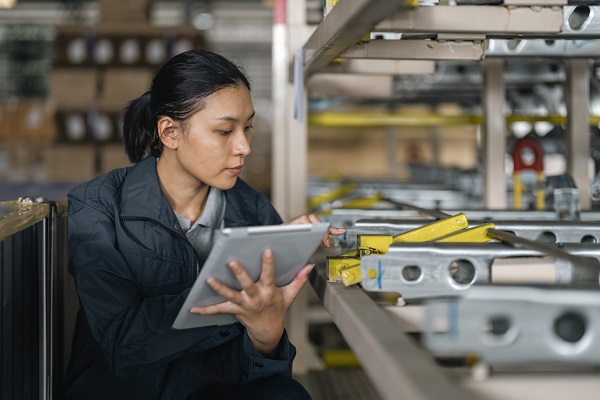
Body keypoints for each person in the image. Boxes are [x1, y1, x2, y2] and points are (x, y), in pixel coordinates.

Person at [63, 49, 344, 400]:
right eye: (225, 131)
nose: (243, 147)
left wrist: (266, 337)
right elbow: (122, 345)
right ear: (169, 132)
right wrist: (232, 302)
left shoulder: (255, 211)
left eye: (248, 128)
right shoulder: (99, 204)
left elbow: (264, 374)